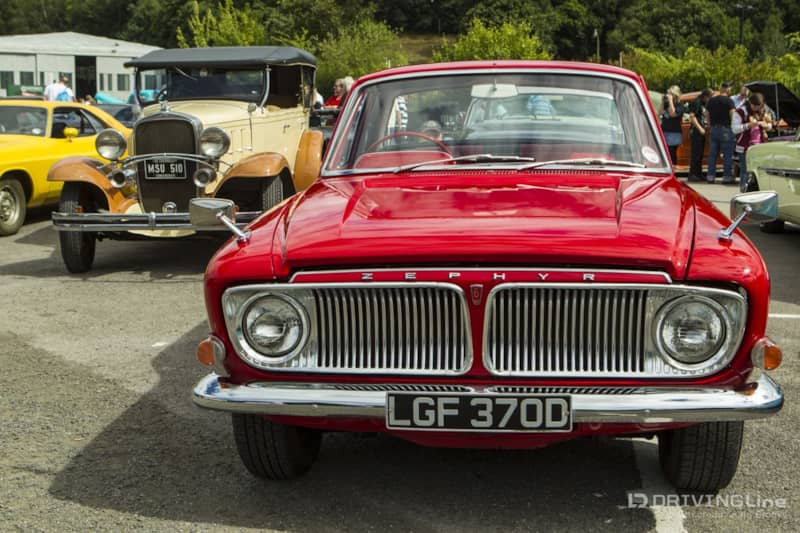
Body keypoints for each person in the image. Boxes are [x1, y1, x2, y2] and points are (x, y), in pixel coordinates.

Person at [733, 92, 772, 192]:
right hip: (745, 146)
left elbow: (770, 125)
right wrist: (748, 125)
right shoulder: (740, 112)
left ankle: (758, 192)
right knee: (745, 170)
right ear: (749, 102)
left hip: (760, 146)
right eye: (753, 105)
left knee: (760, 171)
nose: (755, 108)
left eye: (758, 106)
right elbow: (734, 129)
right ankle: (743, 192)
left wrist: (767, 126)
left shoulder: (763, 111)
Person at [705, 82, 736, 184]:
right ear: (727, 89)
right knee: (727, 154)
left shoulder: (711, 101)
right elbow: (732, 115)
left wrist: (710, 125)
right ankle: (727, 176)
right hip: (726, 129)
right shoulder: (729, 101)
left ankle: (710, 176)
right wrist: (733, 127)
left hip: (714, 128)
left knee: (713, 154)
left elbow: (707, 115)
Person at [687, 88, 712, 182]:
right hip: (696, 131)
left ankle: (698, 173)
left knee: (700, 153)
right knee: (696, 154)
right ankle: (693, 174)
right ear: (705, 96)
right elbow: (692, 116)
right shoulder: (696, 102)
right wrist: (700, 128)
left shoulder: (703, 104)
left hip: (702, 131)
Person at [659, 85, 685, 165]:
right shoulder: (666, 104)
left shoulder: (680, 105)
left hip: (674, 133)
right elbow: (659, 113)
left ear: (675, 95)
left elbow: (673, 114)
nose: (669, 96)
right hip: (664, 131)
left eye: (671, 94)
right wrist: (663, 102)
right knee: (665, 154)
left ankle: (673, 170)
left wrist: (670, 101)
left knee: (671, 153)